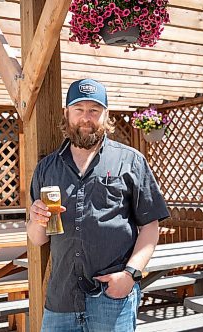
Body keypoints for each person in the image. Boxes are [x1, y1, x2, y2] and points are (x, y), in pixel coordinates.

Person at [27, 78, 169, 332]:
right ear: (66, 114)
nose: (86, 117)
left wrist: (130, 275)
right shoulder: (47, 168)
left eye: (94, 110)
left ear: (106, 115)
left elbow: (150, 226)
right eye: (79, 109)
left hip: (112, 299)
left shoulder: (131, 161)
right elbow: (38, 239)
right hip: (61, 299)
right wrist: (36, 219)